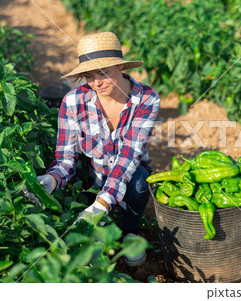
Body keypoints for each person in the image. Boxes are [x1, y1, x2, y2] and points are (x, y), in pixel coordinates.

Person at [23, 32, 161, 266]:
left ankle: (130, 231)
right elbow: (66, 156)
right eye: (89, 75)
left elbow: (129, 155)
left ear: (120, 65)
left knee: (139, 182)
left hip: (128, 172)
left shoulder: (146, 99)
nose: (96, 82)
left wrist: (102, 204)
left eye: (103, 73)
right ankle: (104, 222)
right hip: (91, 173)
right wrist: (52, 180)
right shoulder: (73, 101)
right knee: (87, 219)